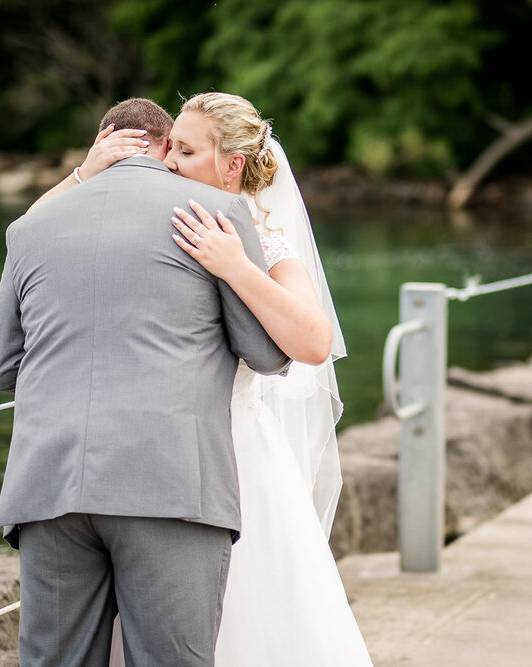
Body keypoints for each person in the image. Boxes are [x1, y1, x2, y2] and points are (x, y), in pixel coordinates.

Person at [35, 92, 371, 665]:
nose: (168, 163)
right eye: (171, 149)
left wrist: (234, 263)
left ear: (231, 165)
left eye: (186, 151)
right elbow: (30, 237)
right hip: (146, 465)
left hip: (236, 464)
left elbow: (313, 342)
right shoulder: (159, 221)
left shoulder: (266, 242)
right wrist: (83, 174)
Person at [0, 97, 291, 666]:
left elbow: (2, 368)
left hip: (49, 486)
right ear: (163, 142)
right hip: (169, 484)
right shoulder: (215, 212)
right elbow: (266, 354)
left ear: (104, 142)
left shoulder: (33, 224)